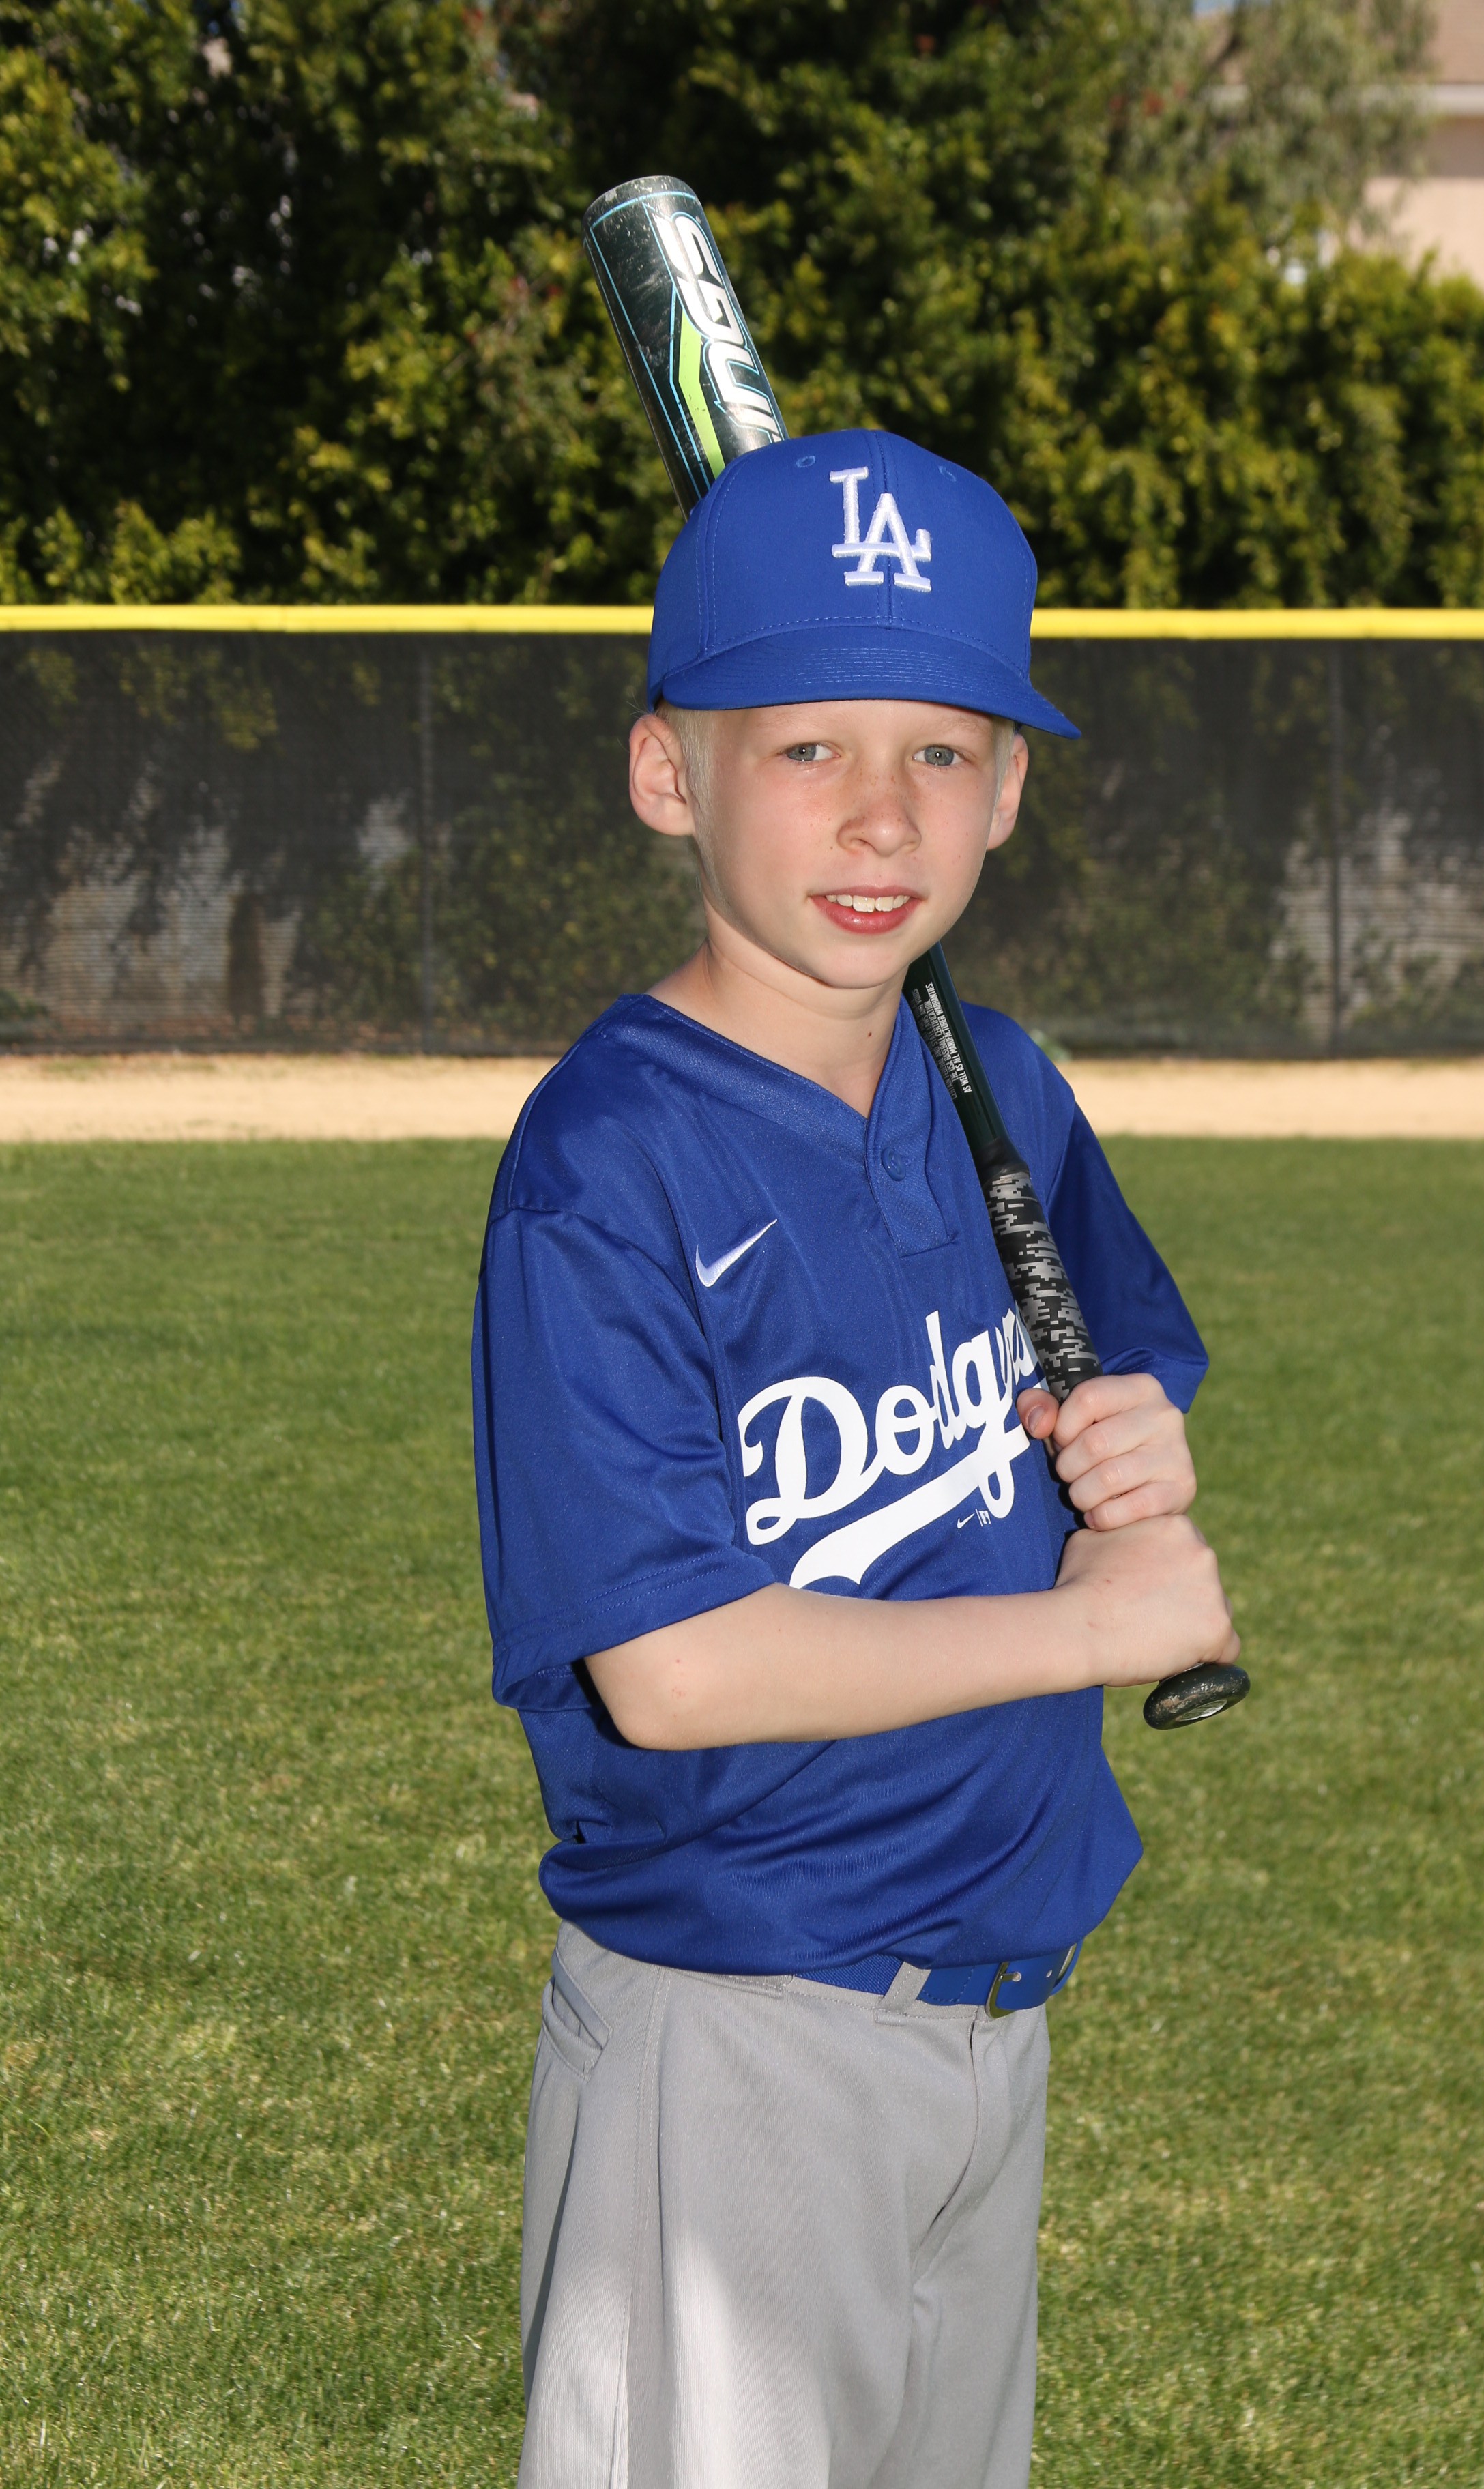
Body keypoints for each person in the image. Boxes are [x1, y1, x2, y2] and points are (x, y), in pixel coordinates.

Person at [471, 428, 1240, 2489]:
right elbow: (676, 1667)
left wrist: (1133, 1456)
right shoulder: (609, 1162)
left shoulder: (1002, 1091)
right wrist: (1086, 1630)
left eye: (942, 751)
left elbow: (1109, 1388)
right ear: (671, 776)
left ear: (1011, 791)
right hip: (741, 2034)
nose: (881, 813)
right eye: (806, 747)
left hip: (994, 2012)